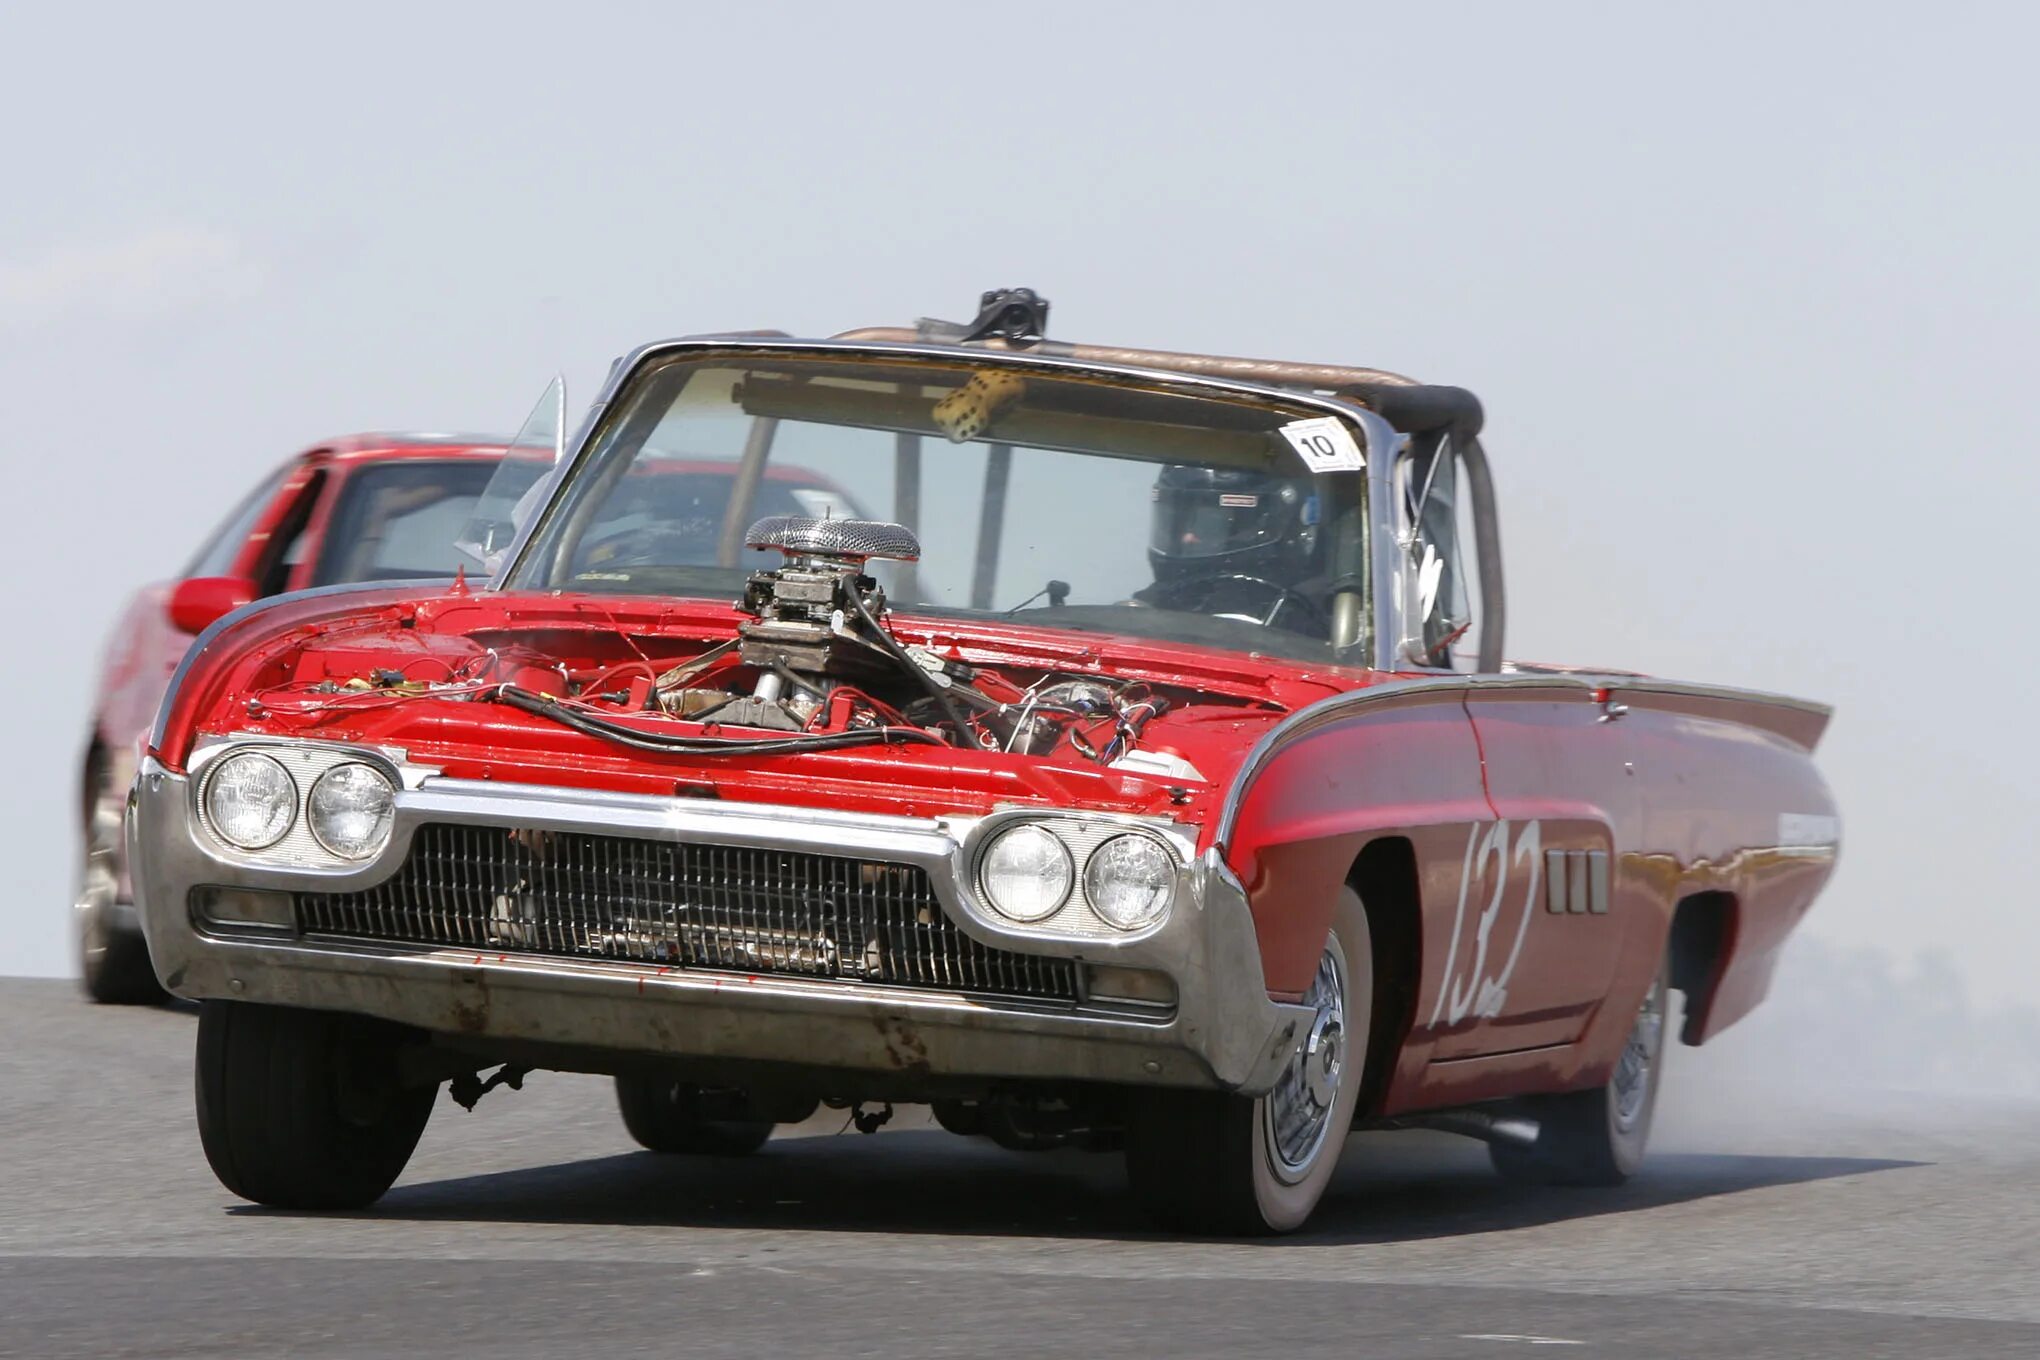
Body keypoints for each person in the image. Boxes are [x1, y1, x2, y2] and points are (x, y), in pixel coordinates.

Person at [1134, 465, 1329, 636]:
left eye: (1209, 522)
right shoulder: (1153, 603)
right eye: (1175, 522)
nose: (1187, 537)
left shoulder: (1314, 617)